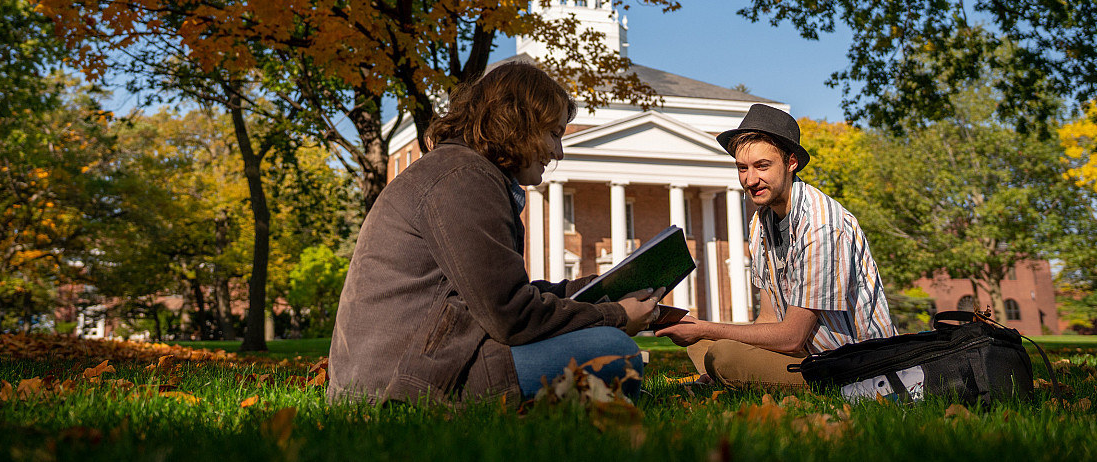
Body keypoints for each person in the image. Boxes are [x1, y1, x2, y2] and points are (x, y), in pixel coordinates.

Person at [328, 62, 663, 405]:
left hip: (428, 359)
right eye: (554, 133)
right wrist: (617, 316)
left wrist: (602, 290)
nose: (558, 152)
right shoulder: (462, 180)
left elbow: (502, 294)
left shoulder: (464, 173)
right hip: (400, 382)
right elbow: (509, 316)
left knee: (607, 352)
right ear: (519, 123)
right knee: (614, 351)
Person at [656, 104, 896, 388]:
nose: (750, 180)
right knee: (703, 346)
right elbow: (768, 317)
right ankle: (720, 377)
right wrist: (705, 335)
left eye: (762, 166)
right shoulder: (761, 223)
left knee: (721, 352)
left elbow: (793, 336)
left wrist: (706, 328)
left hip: (847, 367)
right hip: (803, 356)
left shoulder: (822, 225)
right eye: (742, 168)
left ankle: (724, 375)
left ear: (791, 162)